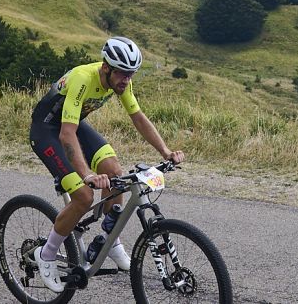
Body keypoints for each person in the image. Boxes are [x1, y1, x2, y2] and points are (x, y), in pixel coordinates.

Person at [28, 36, 185, 293]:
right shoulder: (83, 78)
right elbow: (66, 135)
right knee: (83, 196)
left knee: (115, 174)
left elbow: (138, 118)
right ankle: (46, 254)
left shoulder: (121, 84)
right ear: (106, 68)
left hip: (74, 125)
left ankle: (110, 241)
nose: (127, 80)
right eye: (123, 74)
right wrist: (87, 173)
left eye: (131, 74)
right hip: (47, 131)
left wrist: (166, 151)